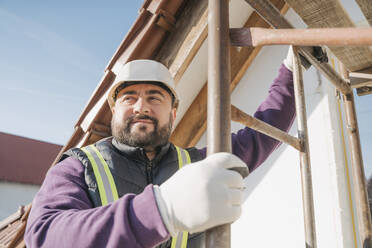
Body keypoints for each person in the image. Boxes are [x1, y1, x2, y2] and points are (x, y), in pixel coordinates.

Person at [25, 49, 299, 248]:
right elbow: (45, 236)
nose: (141, 106)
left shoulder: (197, 165)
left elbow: (262, 135)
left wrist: (291, 71)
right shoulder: (77, 167)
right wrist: (161, 211)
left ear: (173, 113)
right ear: (113, 111)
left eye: (154, 97)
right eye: (129, 97)